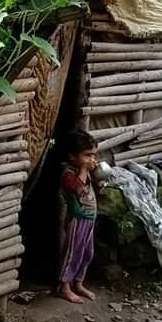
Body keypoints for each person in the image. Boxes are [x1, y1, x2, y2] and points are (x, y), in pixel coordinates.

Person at [57, 128, 100, 304]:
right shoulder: (68, 173)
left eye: (93, 155)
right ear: (72, 157)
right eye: (87, 155)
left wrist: (97, 178)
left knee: (87, 253)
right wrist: (84, 169)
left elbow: (92, 189)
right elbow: (78, 188)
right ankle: (64, 287)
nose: (92, 159)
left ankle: (78, 283)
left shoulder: (85, 171)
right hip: (77, 219)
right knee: (72, 253)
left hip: (90, 218)